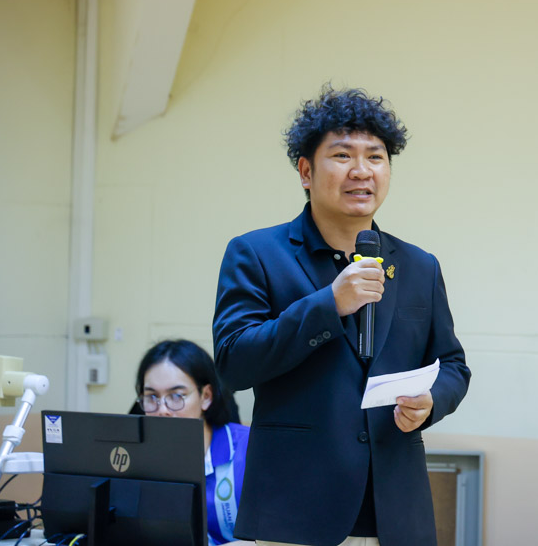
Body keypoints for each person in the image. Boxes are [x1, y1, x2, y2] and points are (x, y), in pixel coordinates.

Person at [212, 86, 471, 546]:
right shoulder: (256, 254)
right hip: (293, 516)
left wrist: (432, 401)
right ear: (306, 171)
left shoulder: (420, 266)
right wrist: (327, 305)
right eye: (342, 155)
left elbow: (452, 365)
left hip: (396, 518)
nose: (361, 171)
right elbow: (234, 363)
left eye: (375, 157)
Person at [134, 339, 254, 546]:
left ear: (206, 396)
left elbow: (280, 537)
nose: (162, 409)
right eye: (151, 397)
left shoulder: (250, 448)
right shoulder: (140, 460)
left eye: (176, 396)